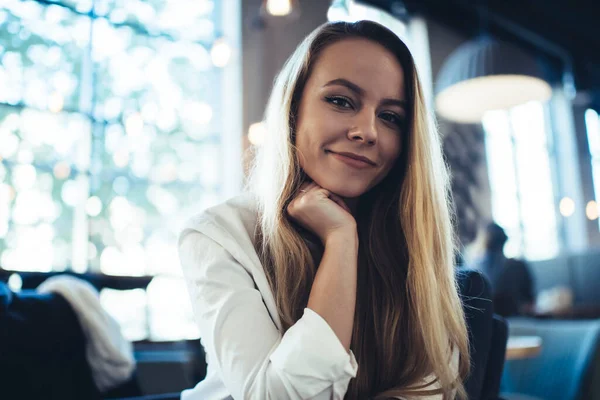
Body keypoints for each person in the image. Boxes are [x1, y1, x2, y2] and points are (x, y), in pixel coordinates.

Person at [178, 20, 470, 400]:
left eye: (390, 117)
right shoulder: (218, 234)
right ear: (293, 108)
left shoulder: (409, 238)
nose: (368, 131)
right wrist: (341, 241)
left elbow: (428, 388)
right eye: (341, 101)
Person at [472, 222, 535, 317]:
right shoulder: (518, 265)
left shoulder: (475, 268)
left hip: (492, 318)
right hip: (518, 318)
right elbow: (530, 301)